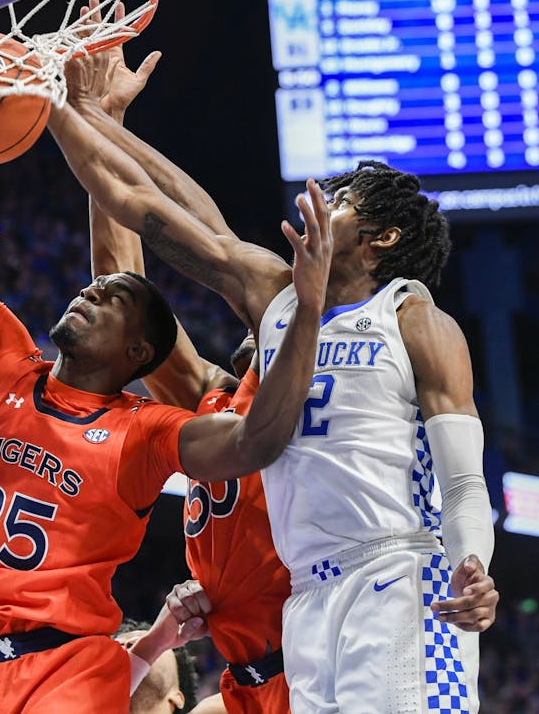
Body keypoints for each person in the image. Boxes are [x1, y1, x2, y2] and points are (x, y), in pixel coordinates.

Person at [46, 50, 500, 712]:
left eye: (341, 202)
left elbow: (463, 481)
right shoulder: (268, 323)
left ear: (381, 236)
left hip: (397, 568)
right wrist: (78, 110)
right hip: (310, 600)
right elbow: (158, 215)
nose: (319, 203)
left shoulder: (413, 319)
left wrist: (474, 561)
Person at [0, 46, 332, 711]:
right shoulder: (18, 366)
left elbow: (255, 433)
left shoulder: (167, 424)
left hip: (279, 662)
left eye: (268, 324)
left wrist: (304, 311)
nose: (92, 292)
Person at [79, 8, 290, 713]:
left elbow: (230, 256)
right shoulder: (211, 402)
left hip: (315, 664)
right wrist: (102, 122)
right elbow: (122, 302)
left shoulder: (299, 405)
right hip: (242, 675)